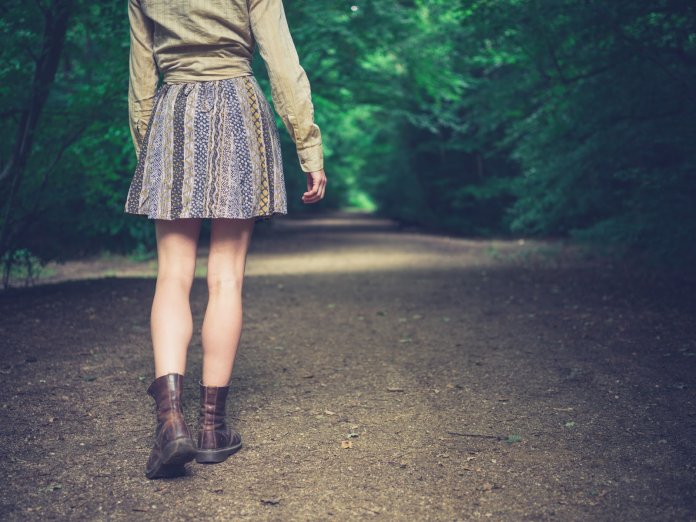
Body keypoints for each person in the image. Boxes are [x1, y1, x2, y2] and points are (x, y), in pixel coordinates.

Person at [123, 0, 327, 479]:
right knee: (226, 277)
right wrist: (308, 145)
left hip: (174, 113)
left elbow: (141, 76)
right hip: (238, 111)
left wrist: (147, 152)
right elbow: (282, 63)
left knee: (172, 275)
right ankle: (212, 429)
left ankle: (170, 422)